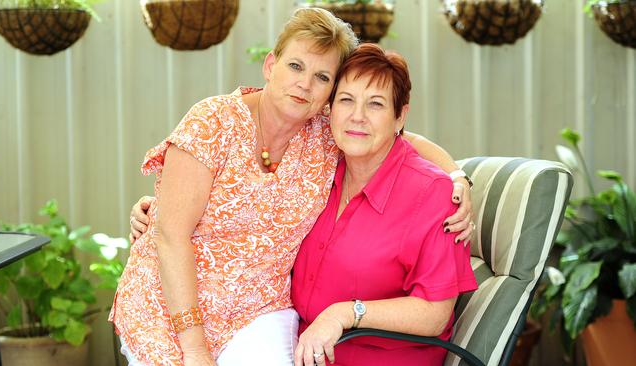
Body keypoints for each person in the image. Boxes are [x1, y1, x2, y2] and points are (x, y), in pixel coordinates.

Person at [118, 7, 475, 366]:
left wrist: (457, 178)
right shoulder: (213, 122)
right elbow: (171, 235)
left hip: (258, 310)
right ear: (271, 66)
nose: (305, 84)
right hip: (171, 309)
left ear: (329, 92)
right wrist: (194, 350)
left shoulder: (325, 132)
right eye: (295, 67)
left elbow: (396, 136)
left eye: (322, 76)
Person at [291, 43, 477, 366]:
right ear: (330, 109)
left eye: (375, 104)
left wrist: (345, 313)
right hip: (299, 348)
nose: (357, 116)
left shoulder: (432, 195)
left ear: (399, 115)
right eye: (346, 100)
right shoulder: (321, 167)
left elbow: (434, 313)